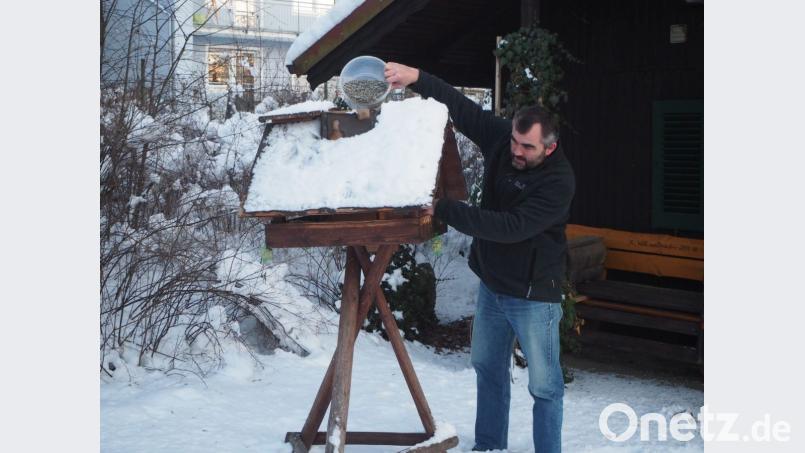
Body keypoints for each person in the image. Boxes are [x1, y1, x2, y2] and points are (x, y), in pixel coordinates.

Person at [385, 62, 575, 453]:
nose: (516, 151)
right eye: (515, 141)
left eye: (527, 147)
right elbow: (461, 107)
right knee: (488, 370)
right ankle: (489, 447)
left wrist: (445, 208)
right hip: (492, 285)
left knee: (544, 386)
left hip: (533, 294)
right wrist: (417, 77)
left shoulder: (558, 182)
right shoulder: (503, 139)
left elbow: (509, 227)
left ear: (549, 147)